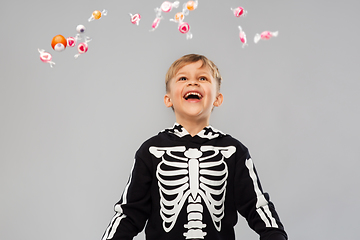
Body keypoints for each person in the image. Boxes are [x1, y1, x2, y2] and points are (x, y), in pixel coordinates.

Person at [101, 54, 288, 240]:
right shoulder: (151, 150)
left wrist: (275, 235)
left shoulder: (234, 151)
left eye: (202, 78)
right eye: (183, 78)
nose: (193, 83)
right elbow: (129, 214)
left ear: (217, 98)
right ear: (168, 99)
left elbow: (258, 207)